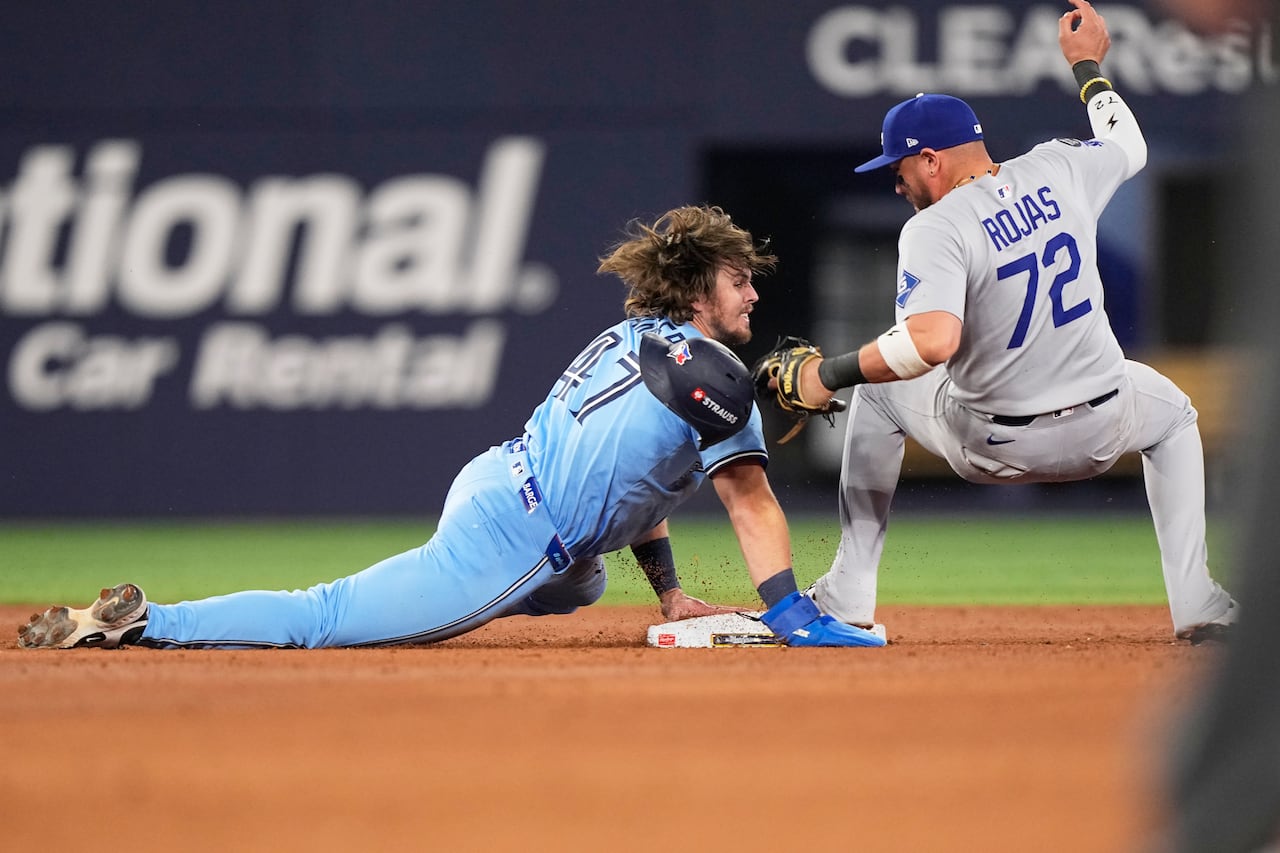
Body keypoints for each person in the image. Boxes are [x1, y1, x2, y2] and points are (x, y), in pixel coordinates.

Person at [16, 204, 884, 651]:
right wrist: (792, 615)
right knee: (327, 619)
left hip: (500, 479)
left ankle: (567, 573)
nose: (755, 294)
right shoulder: (713, 373)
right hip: (509, 536)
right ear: (700, 292)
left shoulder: (635, 338)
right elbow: (750, 500)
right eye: (740, 281)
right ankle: (141, 620)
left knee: (582, 582)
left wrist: (666, 591)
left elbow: (642, 477)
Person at [784, 0, 1235, 642]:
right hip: (1107, 425)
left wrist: (828, 374)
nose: (896, 183)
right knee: (1174, 415)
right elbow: (1126, 144)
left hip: (996, 444)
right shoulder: (1059, 166)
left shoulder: (934, 227)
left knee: (878, 392)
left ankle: (847, 594)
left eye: (900, 166)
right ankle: (1199, 605)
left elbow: (932, 344)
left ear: (932, 159)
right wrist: (1087, 67)